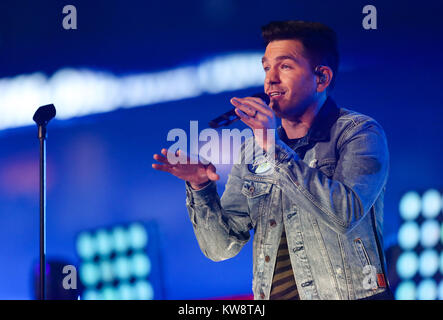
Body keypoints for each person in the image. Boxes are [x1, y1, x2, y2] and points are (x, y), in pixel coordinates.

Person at [152, 20, 393, 300]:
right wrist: (200, 187)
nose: (270, 79)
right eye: (266, 67)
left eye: (285, 66)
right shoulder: (252, 151)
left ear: (322, 78)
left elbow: (343, 215)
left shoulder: (359, 132)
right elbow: (221, 248)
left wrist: (272, 147)